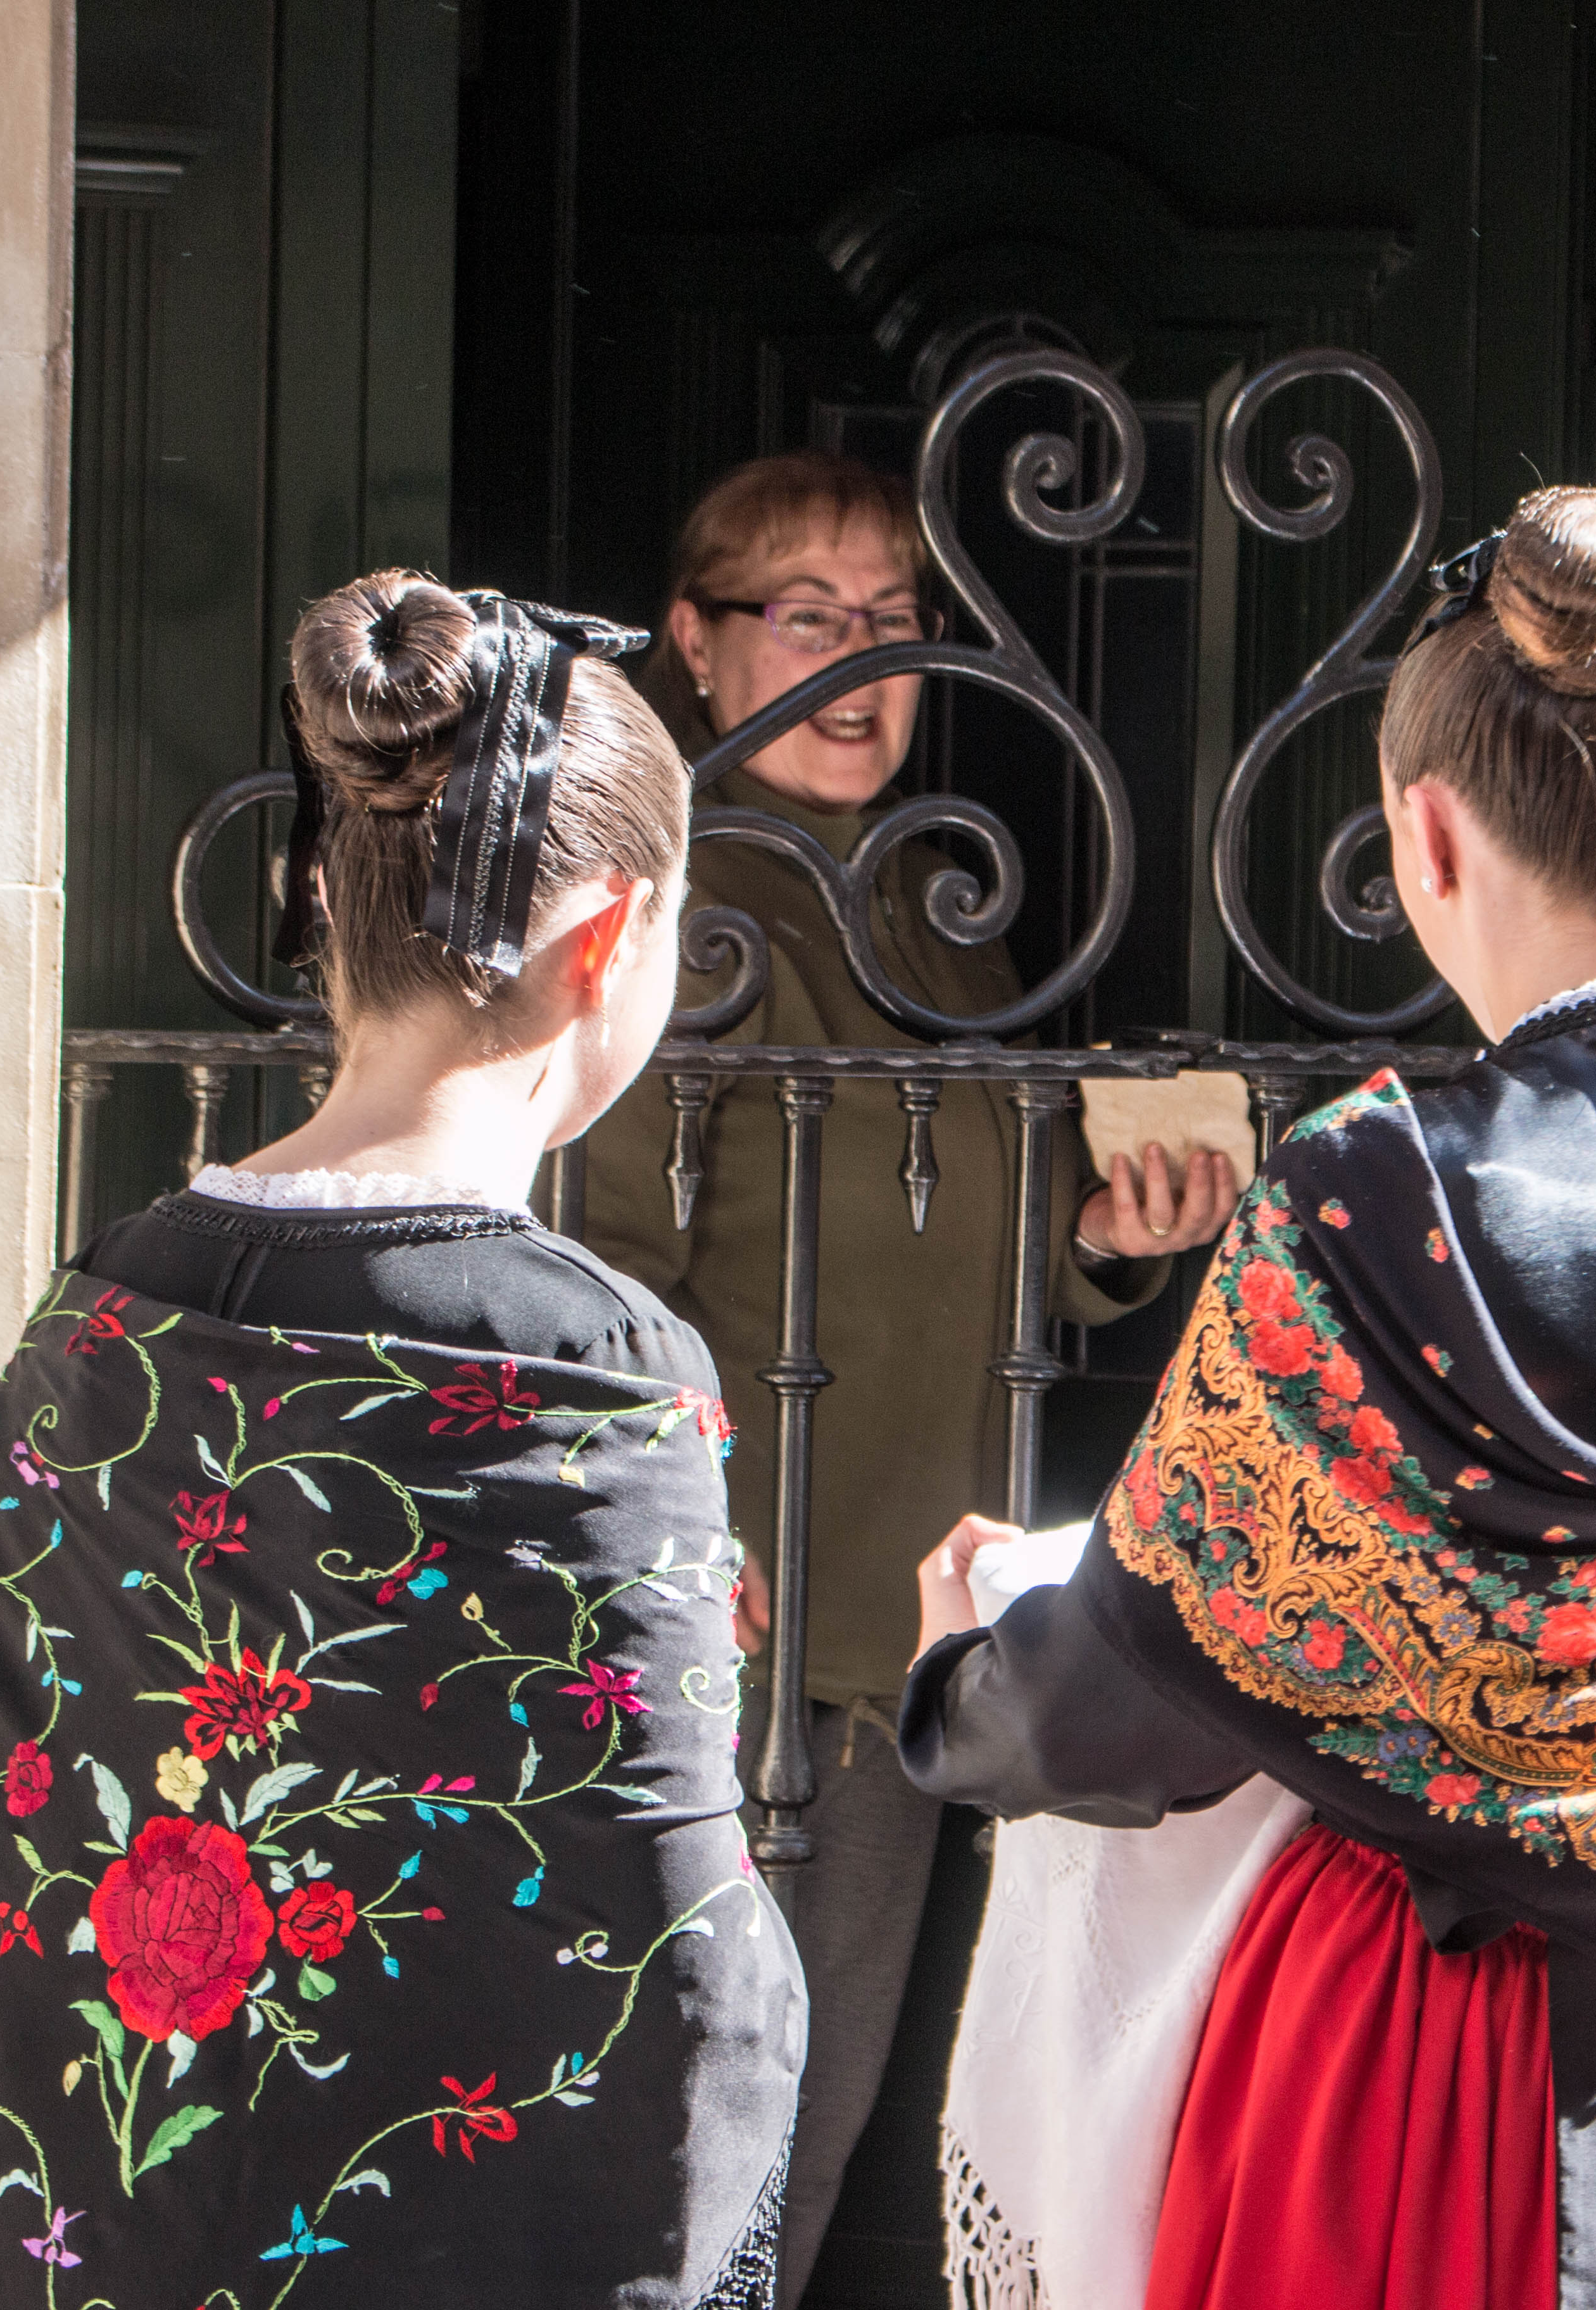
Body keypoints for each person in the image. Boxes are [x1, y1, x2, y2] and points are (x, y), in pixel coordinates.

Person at [900, 486, 1596, 2310]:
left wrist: (967, 1680)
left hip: (1423, 2045)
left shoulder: (1359, 1189)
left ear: (1423, 840)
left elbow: (1139, 1697)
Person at [0, 575, 807, 2307]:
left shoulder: (90, 1322)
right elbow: (667, 1961)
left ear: (320, 897)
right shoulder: (595, 1371)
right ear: (611, 934)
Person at [582, 450, 1235, 2298]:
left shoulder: (937, 917)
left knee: (809, 2141)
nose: (861, 664)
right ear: (697, 645)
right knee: (694, 2170)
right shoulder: (671, 929)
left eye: (893, 622)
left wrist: (1108, 1239)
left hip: (906, 1646)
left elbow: (969, 1253)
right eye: (810, 616)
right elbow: (597, 1284)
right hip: (745, 1638)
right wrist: (684, 1539)